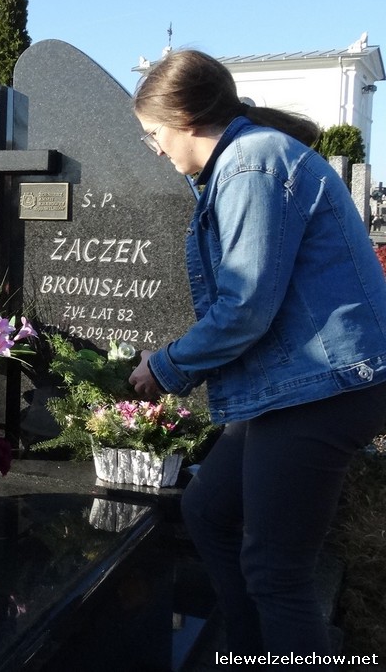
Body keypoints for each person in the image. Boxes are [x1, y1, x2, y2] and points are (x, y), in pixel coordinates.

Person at [127, 49, 386, 654]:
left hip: (323, 387)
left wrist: (165, 367)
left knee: (276, 571)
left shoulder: (251, 164)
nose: (155, 150)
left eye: (153, 134)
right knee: (209, 511)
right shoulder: (241, 161)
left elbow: (245, 305)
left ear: (184, 119)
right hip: (298, 383)